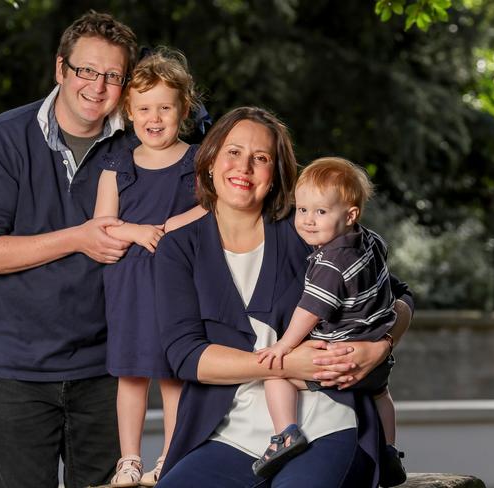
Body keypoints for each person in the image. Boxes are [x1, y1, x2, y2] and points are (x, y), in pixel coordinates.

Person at [154, 107, 414, 488]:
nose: (243, 167)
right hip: (229, 433)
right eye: (233, 152)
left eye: (260, 159)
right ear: (209, 161)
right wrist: (288, 364)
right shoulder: (179, 249)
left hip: (327, 419)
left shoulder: (308, 229)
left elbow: (399, 297)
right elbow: (186, 357)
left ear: (275, 176)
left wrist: (380, 346)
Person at [0, 11, 138, 488]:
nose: (97, 87)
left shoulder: (138, 145)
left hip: (109, 370)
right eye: (86, 71)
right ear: (61, 69)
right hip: (16, 370)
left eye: (112, 76)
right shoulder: (3, 138)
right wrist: (79, 237)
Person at [252, 157, 406, 486]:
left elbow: (310, 310)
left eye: (320, 212)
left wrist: (285, 345)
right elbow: (386, 287)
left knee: (275, 375)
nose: (307, 221)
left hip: (339, 356)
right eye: (302, 210)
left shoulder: (330, 263)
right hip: (377, 357)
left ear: (350, 215)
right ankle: (390, 450)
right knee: (382, 395)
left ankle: (285, 435)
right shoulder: (372, 242)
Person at [93, 47, 206, 487]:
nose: (153, 117)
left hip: (178, 284)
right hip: (130, 282)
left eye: (164, 107)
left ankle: (170, 458)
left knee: (173, 374)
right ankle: (130, 459)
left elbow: (215, 209)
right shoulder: (116, 163)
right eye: (143, 108)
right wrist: (139, 231)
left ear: (183, 109)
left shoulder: (198, 160)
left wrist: (177, 221)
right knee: (131, 373)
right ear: (129, 111)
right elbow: (103, 224)